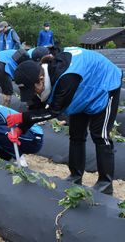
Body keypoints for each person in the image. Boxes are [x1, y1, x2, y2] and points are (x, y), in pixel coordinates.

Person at [7, 47, 122, 194]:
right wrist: (20, 129)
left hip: (105, 84)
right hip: (83, 90)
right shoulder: (40, 78)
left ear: (41, 80)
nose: (33, 93)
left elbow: (54, 111)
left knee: (100, 135)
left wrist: (21, 117)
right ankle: (75, 176)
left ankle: (105, 183)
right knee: (76, 135)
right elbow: (36, 107)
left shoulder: (66, 78)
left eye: (32, 89)